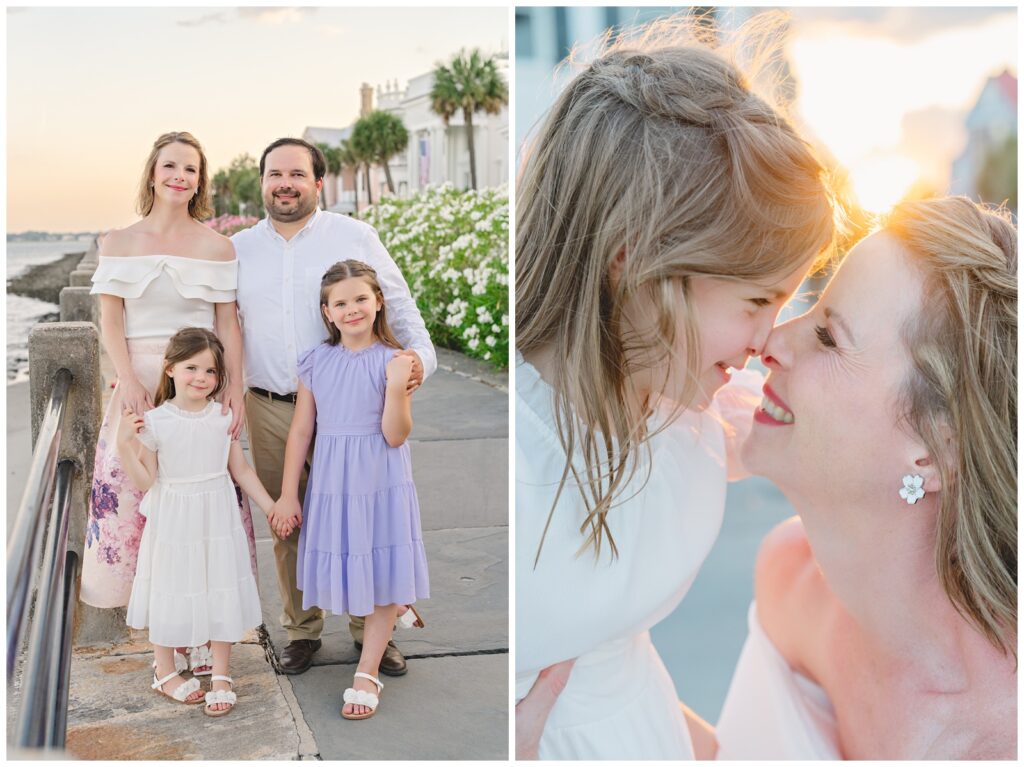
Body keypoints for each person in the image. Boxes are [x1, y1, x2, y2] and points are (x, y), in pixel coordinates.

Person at [515, 13, 835, 760]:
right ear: (637, 266)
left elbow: (601, 632)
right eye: (757, 301)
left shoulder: (675, 406)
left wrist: (658, 714)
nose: (770, 339)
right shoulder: (525, 470)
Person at [714, 196, 1017, 759]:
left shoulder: (999, 732)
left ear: (934, 453)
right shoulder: (791, 580)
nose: (773, 343)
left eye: (829, 337)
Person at [232, 138, 435, 676]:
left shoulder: (353, 235)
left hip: (359, 407)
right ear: (263, 181)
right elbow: (223, 326)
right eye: (275, 173)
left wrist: (417, 364)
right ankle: (302, 631)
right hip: (274, 404)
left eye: (297, 173)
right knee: (288, 519)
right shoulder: (240, 249)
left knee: (365, 519)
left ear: (317, 182)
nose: (285, 183)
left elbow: (400, 301)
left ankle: (373, 631)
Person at [84, 131, 257, 677]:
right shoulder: (118, 241)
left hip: (202, 383)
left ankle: (206, 628)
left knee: (206, 494)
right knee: (138, 498)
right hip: (138, 382)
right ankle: (163, 629)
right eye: (171, 166)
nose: (180, 176)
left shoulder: (217, 246)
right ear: (153, 173)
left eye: (191, 169)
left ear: (200, 180)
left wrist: (235, 387)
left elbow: (227, 323)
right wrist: (128, 381)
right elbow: (110, 320)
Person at [275, 260, 429, 719]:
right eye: (340, 303)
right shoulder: (316, 361)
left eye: (361, 299)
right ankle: (394, 607)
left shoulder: (395, 361)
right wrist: (288, 494)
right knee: (350, 559)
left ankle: (366, 670)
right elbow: (301, 432)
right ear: (327, 312)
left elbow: (395, 434)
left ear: (378, 301)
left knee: (381, 562)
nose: (352, 309)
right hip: (333, 479)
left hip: (381, 476)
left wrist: (398, 387)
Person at [119, 328, 272, 716]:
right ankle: (165, 670)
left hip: (216, 514)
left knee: (219, 585)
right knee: (171, 587)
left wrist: (271, 506)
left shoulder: (223, 418)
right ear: (170, 369)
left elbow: (241, 470)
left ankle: (221, 672)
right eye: (192, 368)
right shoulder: (156, 421)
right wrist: (124, 445)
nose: (201, 378)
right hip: (174, 515)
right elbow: (146, 481)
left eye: (210, 371)